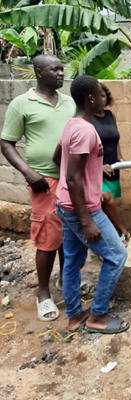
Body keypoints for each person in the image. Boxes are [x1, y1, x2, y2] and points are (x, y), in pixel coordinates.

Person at [0, 55, 75, 322]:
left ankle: (68, 284)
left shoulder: (69, 101)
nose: (60, 73)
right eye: (54, 69)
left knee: (70, 236)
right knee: (47, 238)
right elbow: (7, 142)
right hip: (44, 182)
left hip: (71, 181)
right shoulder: (22, 103)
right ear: (39, 72)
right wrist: (28, 172)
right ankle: (43, 293)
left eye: (61, 69)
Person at [53, 75, 129, 334]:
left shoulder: (71, 124)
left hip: (65, 203)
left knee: (73, 260)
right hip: (82, 209)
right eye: (100, 94)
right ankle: (97, 315)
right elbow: (73, 178)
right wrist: (86, 220)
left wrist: (92, 171)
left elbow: (57, 158)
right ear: (91, 99)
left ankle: (75, 316)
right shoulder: (86, 130)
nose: (103, 98)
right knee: (117, 255)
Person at [91, 83, 130, 246]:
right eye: (96, 96)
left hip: (112, 166)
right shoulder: (86, 118)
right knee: (105, 199)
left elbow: (115, 139)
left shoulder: (109, 115)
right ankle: (123, 231)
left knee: (107, 203)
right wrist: (97, 166)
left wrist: (120, 158)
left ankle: (111, 236)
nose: (101, 99)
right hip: (95, 168)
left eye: (103, 95)